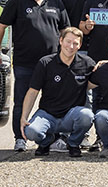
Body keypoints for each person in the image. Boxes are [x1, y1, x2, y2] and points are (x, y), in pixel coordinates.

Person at [0, 0, 68, 151]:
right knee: (21, 101)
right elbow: (0, 27)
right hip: (25, 64)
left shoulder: (56, 3)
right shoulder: (17, 2)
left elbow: (65, 30)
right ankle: (20, 138)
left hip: (52, 64)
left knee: (53, 102)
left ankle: (54, 139)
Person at [19, 27, 96, 157]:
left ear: (80, 45)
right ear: (60, 41)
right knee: (31, 131)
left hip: (70, 116)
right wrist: (23, 117)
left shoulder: (87, 63)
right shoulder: (45, 62)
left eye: (75, 43)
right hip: (48, 114)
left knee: (87, 115)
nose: (71, 46)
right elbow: (33, 92)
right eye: (68, 41)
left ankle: (73, 143)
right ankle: (46, 142)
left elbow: (102, 78)